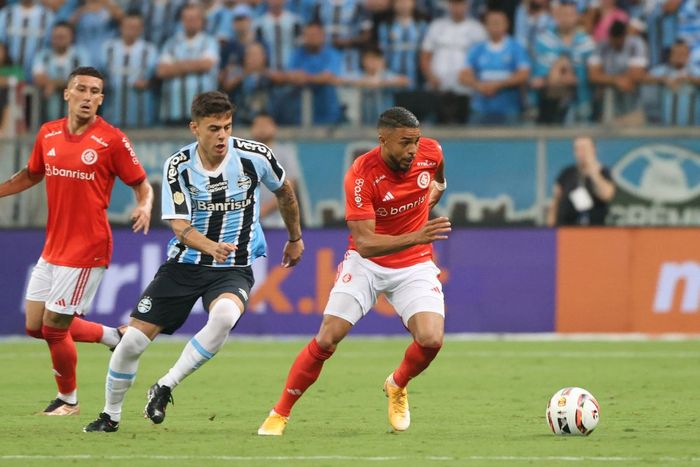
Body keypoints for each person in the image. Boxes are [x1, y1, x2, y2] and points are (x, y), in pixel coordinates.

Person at [83, 91, 304, 433]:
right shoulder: (178, 165)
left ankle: (165, 385)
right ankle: (110, 416)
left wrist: (294, 238)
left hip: (233, 266)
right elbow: (178, 225)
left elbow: (285, 192)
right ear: (194, 128)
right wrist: (210, 246)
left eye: (227, 127)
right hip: (185, 265)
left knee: (226, 316)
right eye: (213, 128)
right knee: (132, 343)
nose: (222, 136)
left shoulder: (255, 156)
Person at [257, 106, 450, 436]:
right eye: (405, 143)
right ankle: (280, 412)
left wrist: (434, 193)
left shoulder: (431, 151)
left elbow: (439, 178)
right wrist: (417, 233)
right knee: (328, 338)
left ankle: (396, 385)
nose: (413, 150)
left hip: (414, 262)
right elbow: (365, 244)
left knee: (431, 339)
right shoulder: (361, 175)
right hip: (367, 265)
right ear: (383, 139)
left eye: (415, 142)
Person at [0, 66, 153, 415]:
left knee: (55, 328)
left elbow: (142, 184)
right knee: (34, 325)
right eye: (81, 89)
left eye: (95, 91)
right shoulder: (48, 133)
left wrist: (144, 206)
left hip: (88, 248)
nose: (88, 96)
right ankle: (115, 337)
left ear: (101, 99)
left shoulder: (111, 139)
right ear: (67, 94)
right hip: (53, 246)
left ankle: (68, 401)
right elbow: (31, 175)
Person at [547, 136, 616, 226]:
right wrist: (550, 223)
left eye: (584, 148)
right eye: (577, 149)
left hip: (593, 230)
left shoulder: (602, 172)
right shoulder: (567, 172)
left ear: (593, 150)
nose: (581, 153)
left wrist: (593, 173)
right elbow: (556, 198)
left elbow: (607, 194)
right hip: (566, 228)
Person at [250, 112, 303, 228]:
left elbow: (290, 186)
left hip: (279, 221)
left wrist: (263, 211)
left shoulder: (285, 152)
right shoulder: (244, 155)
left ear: (274, 127)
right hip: (249, 221)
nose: (261, 129)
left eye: (265, 125)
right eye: (258, 125)